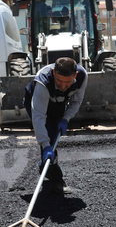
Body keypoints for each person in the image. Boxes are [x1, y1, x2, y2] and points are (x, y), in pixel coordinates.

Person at [23, 57, 88, 194]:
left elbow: (76, 102)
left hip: (58, 102)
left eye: (68, 82)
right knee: (50, 138)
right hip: (36, 102)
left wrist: (65, 118)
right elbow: (39, 117)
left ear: (75, 76)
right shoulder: (43, 82)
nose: (63, 86)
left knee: (52, 134)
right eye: (59, 81)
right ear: (53, 73)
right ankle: (56, 180)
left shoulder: (82, 76)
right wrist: (45, 145)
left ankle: (45, 168)